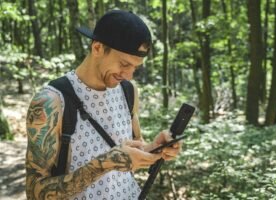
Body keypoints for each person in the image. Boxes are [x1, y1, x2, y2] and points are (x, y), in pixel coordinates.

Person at [26, 10, 181, 200]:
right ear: (97, 48)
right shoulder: (51, 102)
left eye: (135, 67)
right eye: (124, 64)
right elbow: (34, 192)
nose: (129, 75)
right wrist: (103, 164)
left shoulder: (128, 91)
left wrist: (154, 148)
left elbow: (130, 155)